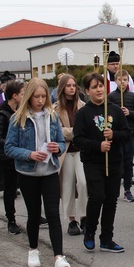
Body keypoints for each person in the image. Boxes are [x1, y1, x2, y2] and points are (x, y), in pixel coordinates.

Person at [4, 78, 71, 267]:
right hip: (28, 172)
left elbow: (60, 141)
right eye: (37, 97)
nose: (41, 100)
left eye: (43, 96)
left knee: (53, 214)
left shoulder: (52, 116)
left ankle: (59, 257)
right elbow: (9, 147)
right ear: (29, 97)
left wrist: (57, 148)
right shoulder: (18, 119)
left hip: (49, 170)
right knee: (33, 213)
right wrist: (29, 154)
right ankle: (33, 249)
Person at [72, 73, 130, 253]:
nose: (98, 90)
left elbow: (127, 134)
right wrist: (98, 146)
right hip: (93, 162)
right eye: (94, 87)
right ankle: (90, 231)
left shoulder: (115, 110)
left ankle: (107, 238)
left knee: (111, 200)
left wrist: (114, 135)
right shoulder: (83, 113)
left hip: (114, 162)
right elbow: (78, 140)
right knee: (97, 197)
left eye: (101, 86)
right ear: (87, 91)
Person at [53, 74, 87, 236]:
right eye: (68, 85)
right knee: (67, 185)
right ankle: (72, 220)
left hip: (81, 150)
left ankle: (84, 215)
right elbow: (58, 131)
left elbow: (88, 127)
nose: (72, 88)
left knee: (83, 182)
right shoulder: (55, 109)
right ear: (62, 88)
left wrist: (76, 133)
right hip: (65, 151)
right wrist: (77, 132)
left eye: (74, 85)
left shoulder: (82, 106)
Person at [0, 79, 25, 234]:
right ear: (14, 95)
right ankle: (11, 220)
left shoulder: (20, 110)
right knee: (10, 188)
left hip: (20, 155)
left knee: (27, 186)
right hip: (7, 157)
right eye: (22, 93)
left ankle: (35, 217)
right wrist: (13, 145)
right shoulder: (1, 113)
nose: (25, 96)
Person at [107, 69, 134, 203]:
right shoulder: (111, 97)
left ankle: (127, 190)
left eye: (125, 80)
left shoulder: (133, 96)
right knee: (116, 162)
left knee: (128, 162)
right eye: (120, 80)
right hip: (116, 134)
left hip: (130, 134)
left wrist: (129, 113)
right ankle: (113, 190)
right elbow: (107, 114)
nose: (122, 82)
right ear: (116, 81)